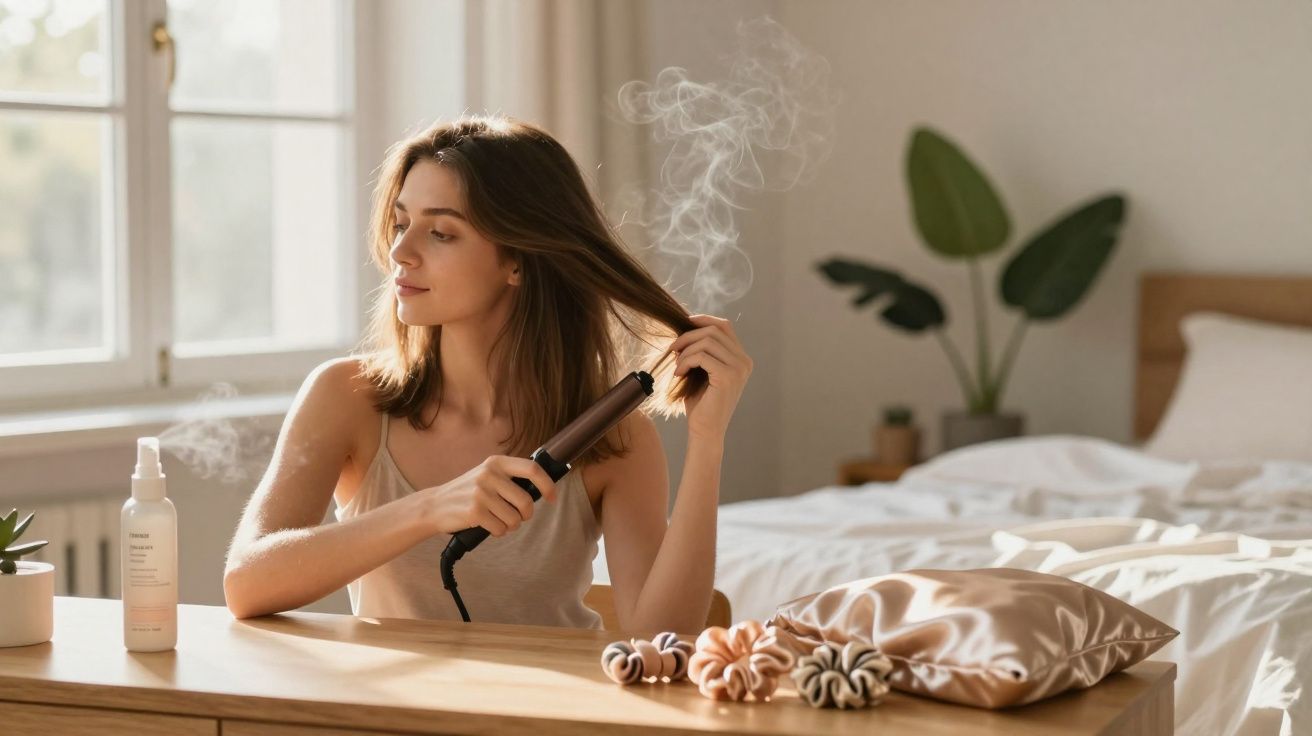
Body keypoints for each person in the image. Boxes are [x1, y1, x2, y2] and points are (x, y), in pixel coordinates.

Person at [222, 116, 752, 632]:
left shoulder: (613, 436)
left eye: (441, 233)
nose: (400, 253)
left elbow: (664, 639)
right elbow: (246, 584)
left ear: (517, 261)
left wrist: (708, 443)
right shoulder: (347, 398)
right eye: (402, 223)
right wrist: (429, 509)